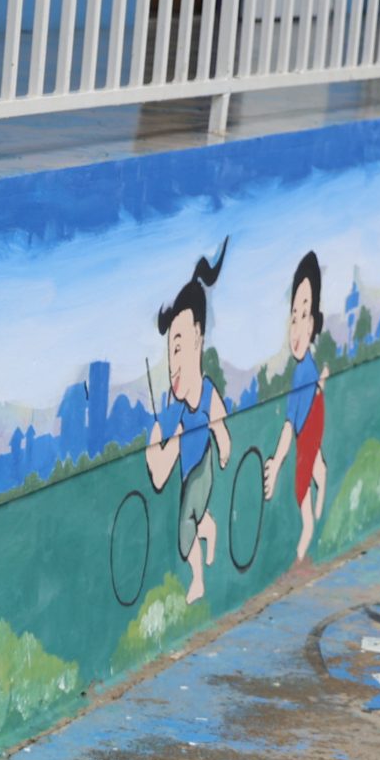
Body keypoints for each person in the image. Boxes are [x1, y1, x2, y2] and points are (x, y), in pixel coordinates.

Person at [142, 244, 235, 603]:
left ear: (198, 338)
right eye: (170, 353)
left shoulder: (207, 393)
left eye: (178, 347)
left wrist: (223, 447)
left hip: (202, 468)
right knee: (195, 514)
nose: (173, 364)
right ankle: (208, 527)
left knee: (185, 531)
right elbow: (160, 472)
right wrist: (163, 449)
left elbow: (221, 425)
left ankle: (196, 580)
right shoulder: (177, 413)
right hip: (188, 476)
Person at [261, 250, 331, 565]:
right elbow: (295, 420)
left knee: (306, 504)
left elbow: (290, 425)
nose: (297, 328)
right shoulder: (305, 371)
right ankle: (308, 547)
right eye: (293, 317)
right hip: (309, 435)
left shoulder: (304, 372)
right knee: (317, 472)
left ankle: (301, 559)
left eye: (304, 315)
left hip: (308, 436)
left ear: (313, 322)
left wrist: (276, 463)